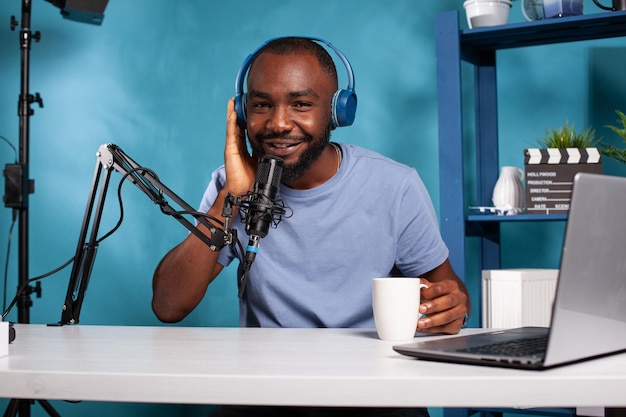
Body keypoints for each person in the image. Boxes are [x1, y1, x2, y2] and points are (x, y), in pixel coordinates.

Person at [152, 37, 470, 417]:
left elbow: (447, 290)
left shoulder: (395, 185)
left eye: (301, 104)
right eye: (261, 105)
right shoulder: (232, 186)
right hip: (265, 397)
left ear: (338, 113)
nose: (279, 123)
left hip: (374, 397)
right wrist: (232, 195)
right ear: (241, 112)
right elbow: (168, 305)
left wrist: (453, 307)